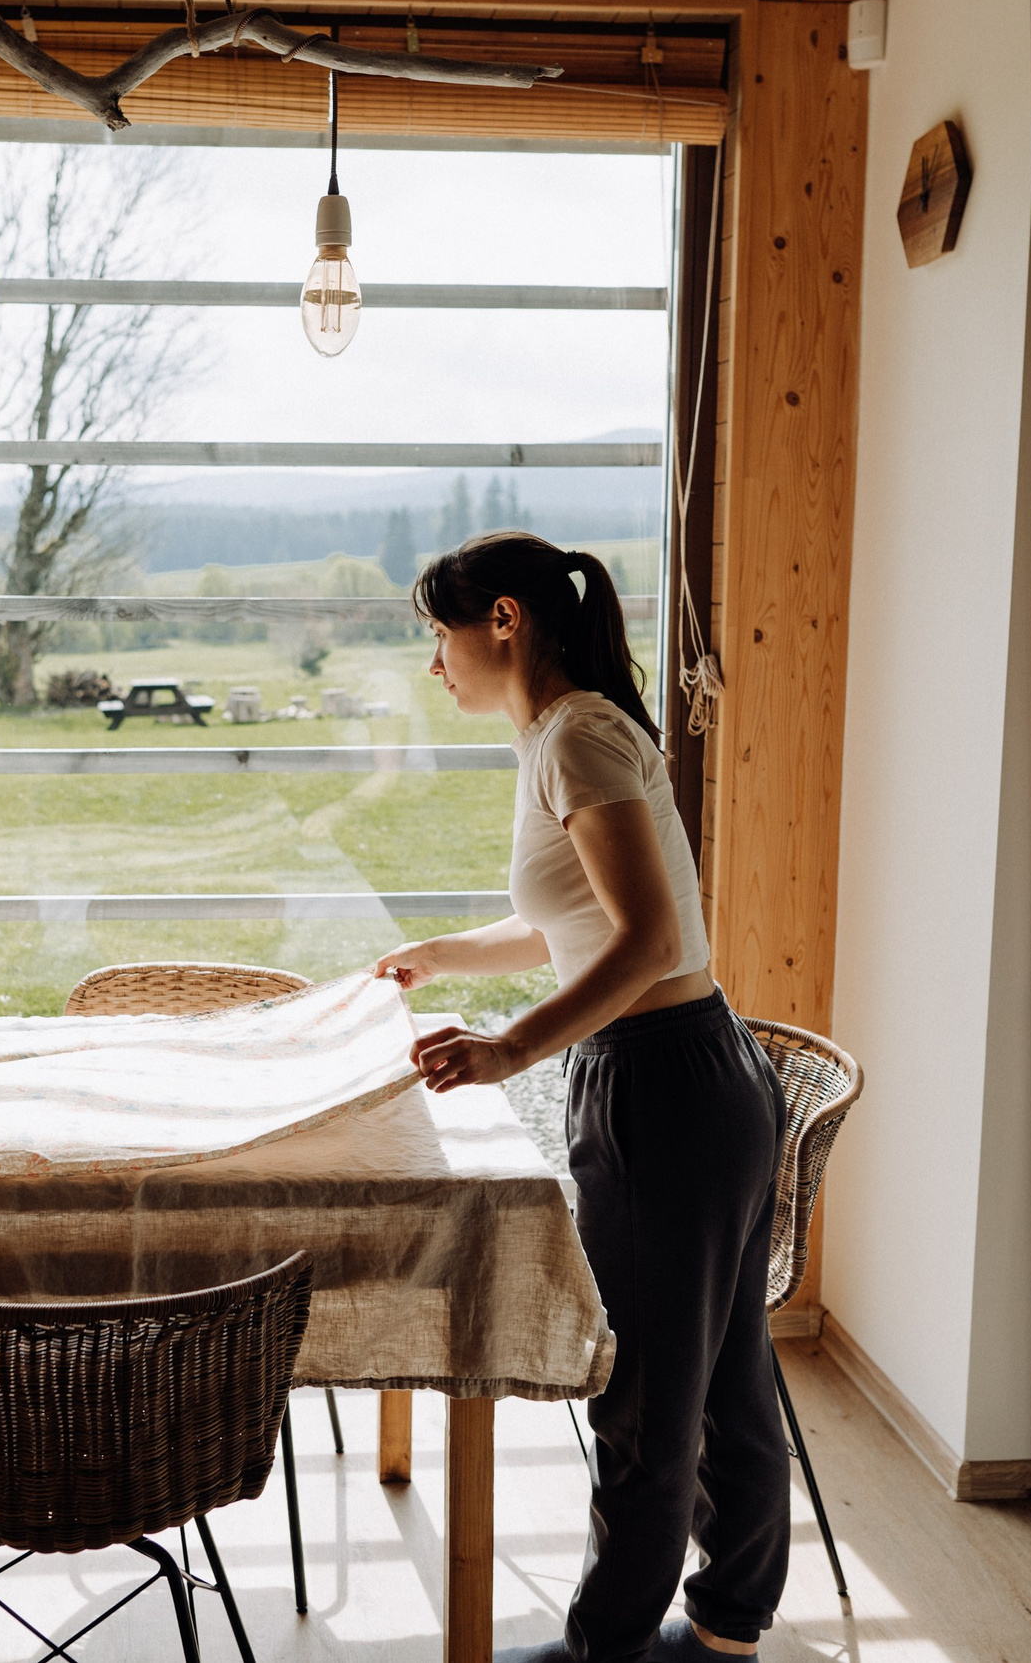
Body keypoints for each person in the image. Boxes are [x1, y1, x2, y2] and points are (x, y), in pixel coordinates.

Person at [371, 532, 788, 1662]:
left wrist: (509, 1048)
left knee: (647, 1394)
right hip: (693, 1071)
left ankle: (610, 1643)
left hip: (664, 1084)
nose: (432, 664)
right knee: (725, 1375)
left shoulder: (577, 737)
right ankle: (726, 1628)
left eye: (435, 635)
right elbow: (584, 922)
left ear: (501, 620)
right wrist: (443, 954)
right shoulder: (574, 729)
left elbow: (646, 939)